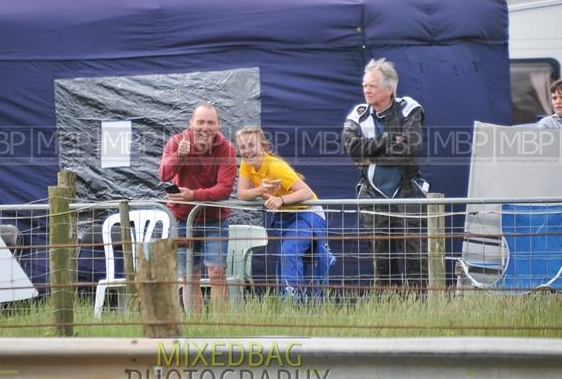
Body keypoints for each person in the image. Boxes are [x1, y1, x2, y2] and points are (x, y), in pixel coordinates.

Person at [343, 58, 428, 291]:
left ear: (390, 88)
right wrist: (390, 139)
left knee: (416, 259)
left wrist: (369, 155)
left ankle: (419, 311)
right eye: (364, 85)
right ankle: (389, 311)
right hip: (372, 194)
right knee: (382, 262)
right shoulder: (357, 115)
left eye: (372, 86)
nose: (366, 90)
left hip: (408, 192)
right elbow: (352, 149)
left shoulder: (410, 108)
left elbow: (410, 149)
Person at [235, 126, 334, 300]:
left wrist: (280, 200)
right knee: (288, 255)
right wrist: (261, 190)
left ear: (263, 146)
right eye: (242, 147)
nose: (247, 151)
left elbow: (307, 193)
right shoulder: (246, 163)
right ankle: (295, 302)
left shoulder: (276, 167)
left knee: (289, 251)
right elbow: (242, 193)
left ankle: (295, 302)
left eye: (251, 145)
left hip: (308, 212)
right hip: (287, 215)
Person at [159, 102, 237, 313]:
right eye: (200, 122)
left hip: (215, 219)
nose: (205, 127)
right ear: (191, 123)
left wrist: (193, 195)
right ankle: (197, 324)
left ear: (219, 126)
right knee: (189, 276)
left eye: (211, 122)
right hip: (182, 220)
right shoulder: (177, 142)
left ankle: (221, 327)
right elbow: (163, 174)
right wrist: (180, 157)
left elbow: (225, 189)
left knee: (217, 273)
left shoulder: (226, 148)